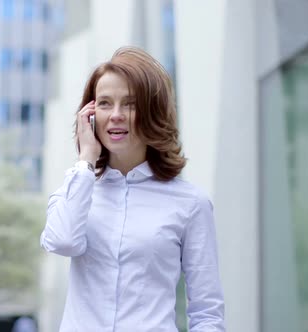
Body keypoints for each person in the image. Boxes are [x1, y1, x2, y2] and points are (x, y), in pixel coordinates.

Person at [40, 46, 225, 332]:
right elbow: (62, 242)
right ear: (89, 116)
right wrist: (86, 159)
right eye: (104, 103)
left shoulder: (191, 203)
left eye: (130, 103)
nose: (116, 115)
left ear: (153, 113)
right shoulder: (75, 189)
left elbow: (207, 313)